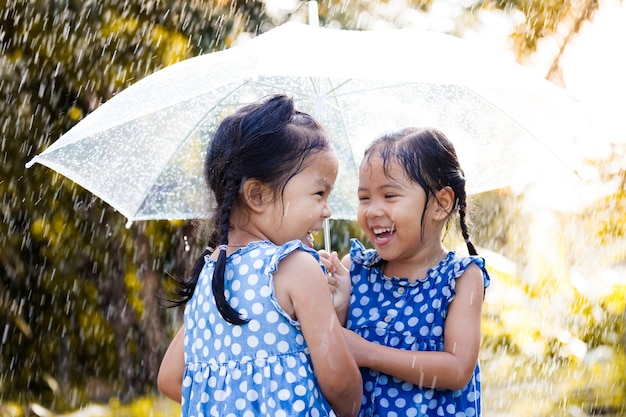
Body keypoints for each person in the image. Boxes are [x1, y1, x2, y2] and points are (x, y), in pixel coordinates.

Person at [157, 94, 362, 417]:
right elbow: (340, 385)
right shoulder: (295, 267)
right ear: (258, 195)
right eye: (319, 193)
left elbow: (170, 379)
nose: (328, 210)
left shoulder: (211, 275)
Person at [321, 127, 490, 417]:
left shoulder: (461, 278)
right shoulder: (354, 270)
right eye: (364, 198)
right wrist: (338, 305)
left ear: (440, 203)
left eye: (389, 195)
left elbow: (458, 369)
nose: (372, 210)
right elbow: (332, 350)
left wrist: (369, 353)